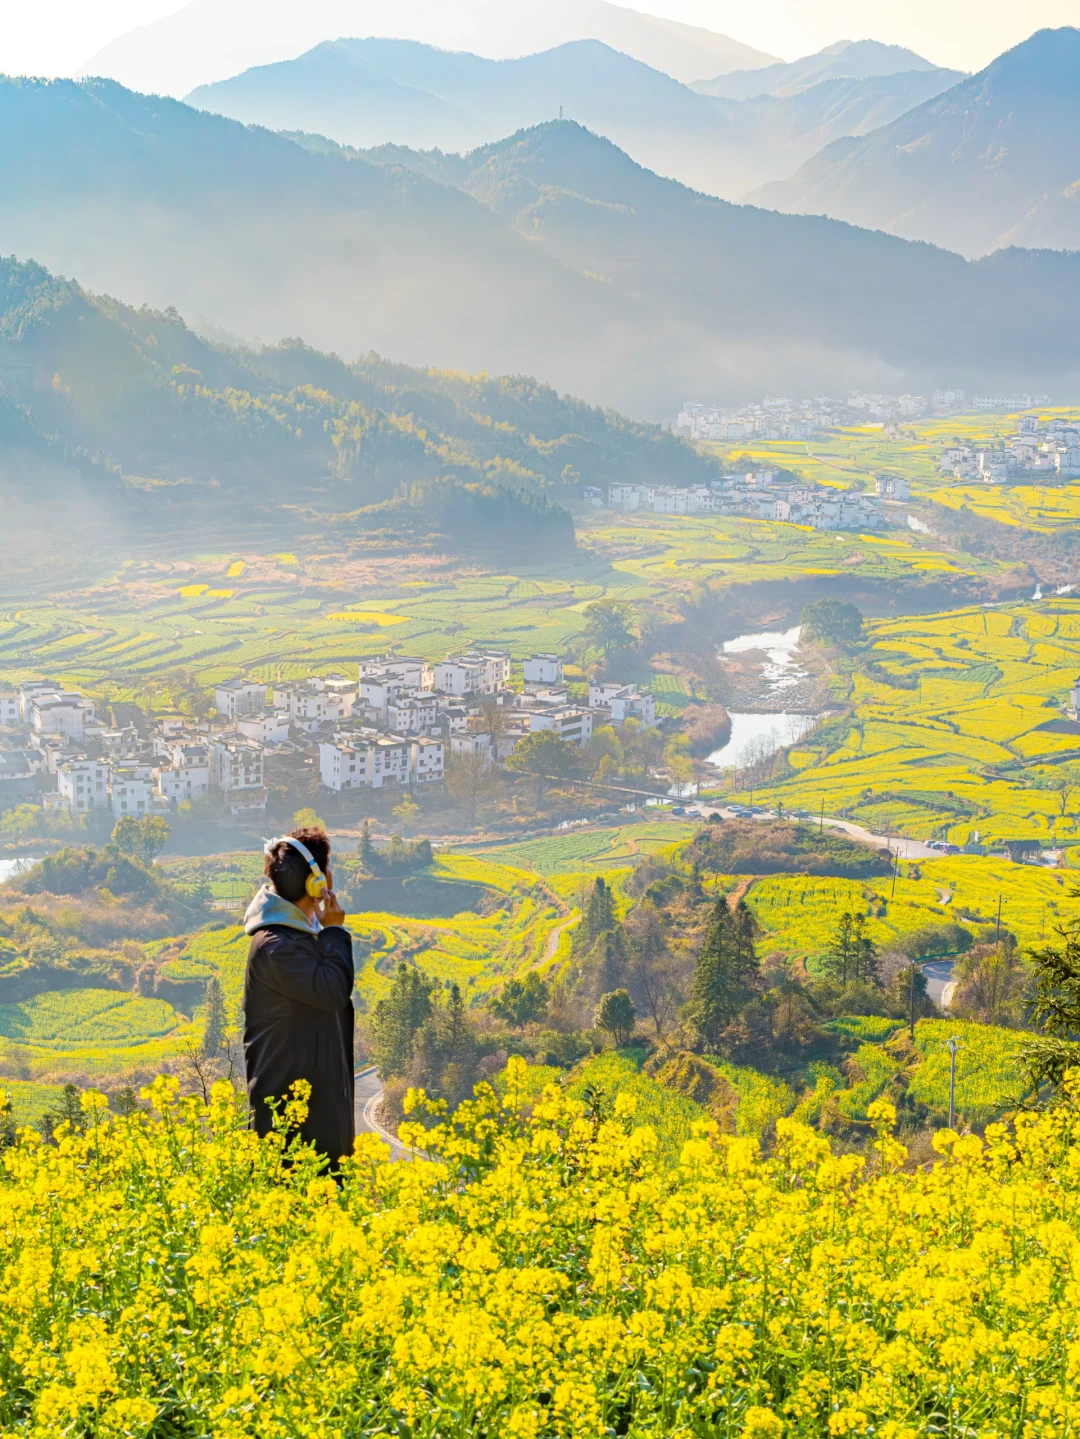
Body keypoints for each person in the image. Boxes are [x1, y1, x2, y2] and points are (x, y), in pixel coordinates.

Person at [242, 826, 354, 1166]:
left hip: (316, 1115)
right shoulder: (277, 948)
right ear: (317, 882)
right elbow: (332, 991)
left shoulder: (296, 936)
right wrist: (334, 930)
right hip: (293, 1129)